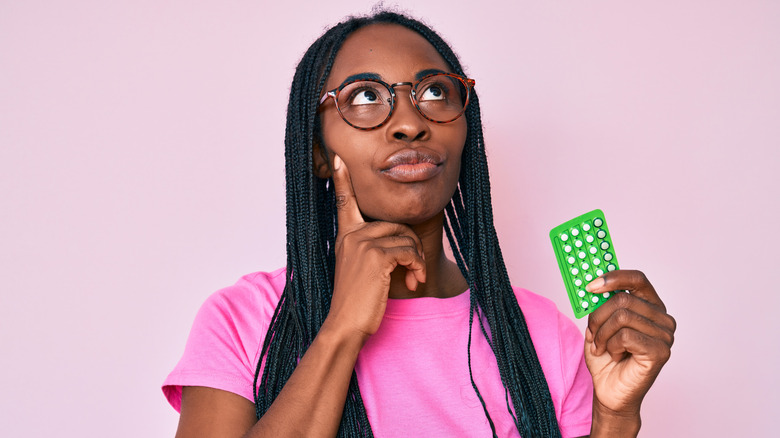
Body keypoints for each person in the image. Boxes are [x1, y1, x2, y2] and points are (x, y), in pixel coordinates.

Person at [163, 11, 676, 438]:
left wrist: (615, 418)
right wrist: (341, 328)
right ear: (319, 152)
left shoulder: (544, 338)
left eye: (435, 92)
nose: (410, 121)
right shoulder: (244, 321)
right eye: (365, 97)